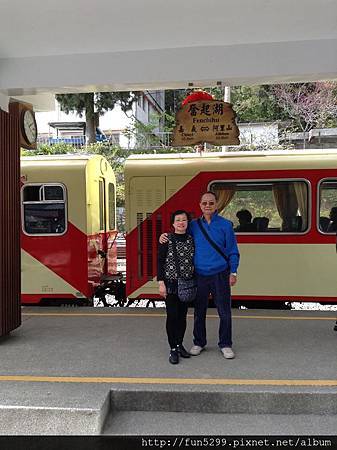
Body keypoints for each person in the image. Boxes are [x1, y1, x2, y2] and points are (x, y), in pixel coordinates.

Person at [160, 191, 240, 359]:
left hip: (220, 273)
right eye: (204, 203)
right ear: (200, 205)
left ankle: (225, 344)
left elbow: (233, 251)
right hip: (199, 275)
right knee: (199, 311)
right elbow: (178, 231)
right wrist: (164, 236)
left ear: (216, 205)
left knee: (224, 311)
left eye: (211, 203)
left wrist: (233, 271)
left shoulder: (226, 225)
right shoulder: (194, 225)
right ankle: (199, 342)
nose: (208, 206)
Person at [157, 209, 195, 364]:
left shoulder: (192, 239)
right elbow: (160, 261)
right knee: (172, 316)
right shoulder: (166, 239)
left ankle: (180, 344)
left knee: (182, 316)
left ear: (188, 222)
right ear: (173, 224)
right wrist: (161, 283)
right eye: (178, 220)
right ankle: (172, 348)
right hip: (171, 284)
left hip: (186, 283)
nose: (181, 223)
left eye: (184, 220)